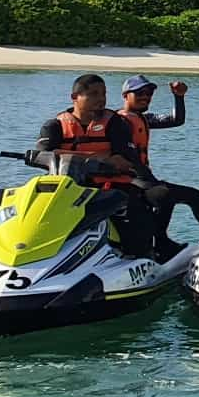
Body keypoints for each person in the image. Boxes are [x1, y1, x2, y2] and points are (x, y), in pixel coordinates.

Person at [34, 74, 168, 259]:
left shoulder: (116, 123)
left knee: (133, 211)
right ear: (75, 98)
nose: (101, 99)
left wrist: (64, 154)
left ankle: (140, 255)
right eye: (94, 94)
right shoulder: (54, 125)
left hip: (110, 187)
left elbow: (124, 158)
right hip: (68, 187)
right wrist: (98, 157)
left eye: (103, 94)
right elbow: (42, 154)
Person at [116, 74, 199, 238]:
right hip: (131, 182)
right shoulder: (119, 122)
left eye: (148, 93)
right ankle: (160, 242)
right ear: (125, 96)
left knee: (194, 195)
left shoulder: (143, 119)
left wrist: (178, 97)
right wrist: (150, 181)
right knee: (164, 195)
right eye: (139, 93)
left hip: (145, 180)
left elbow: (176, 120)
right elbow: (129, 156)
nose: (145, 97)